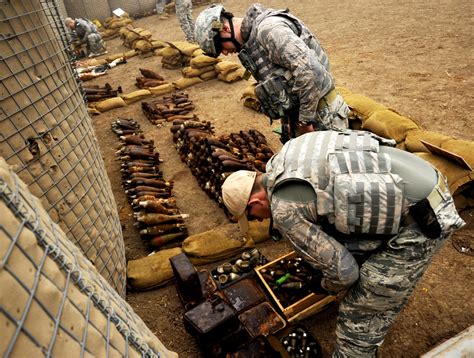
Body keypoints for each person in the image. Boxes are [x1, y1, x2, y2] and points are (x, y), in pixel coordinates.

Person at [221, 130, 465, 357]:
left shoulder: (284, 211)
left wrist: (325, 285)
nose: (259, 221)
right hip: (427, 178)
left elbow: (345, 274)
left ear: (254, 202)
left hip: (424, 218)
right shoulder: (285, 155)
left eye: (253, 217)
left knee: (357, 313)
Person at [194, 3, 350, 142]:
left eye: (221, 47)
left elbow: (310, 72)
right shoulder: (252, 40)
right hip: (304, 116)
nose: (226, 53)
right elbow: (279, 83)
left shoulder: (269, 31)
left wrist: (305, 123)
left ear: (225, 29)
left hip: (322, 117)